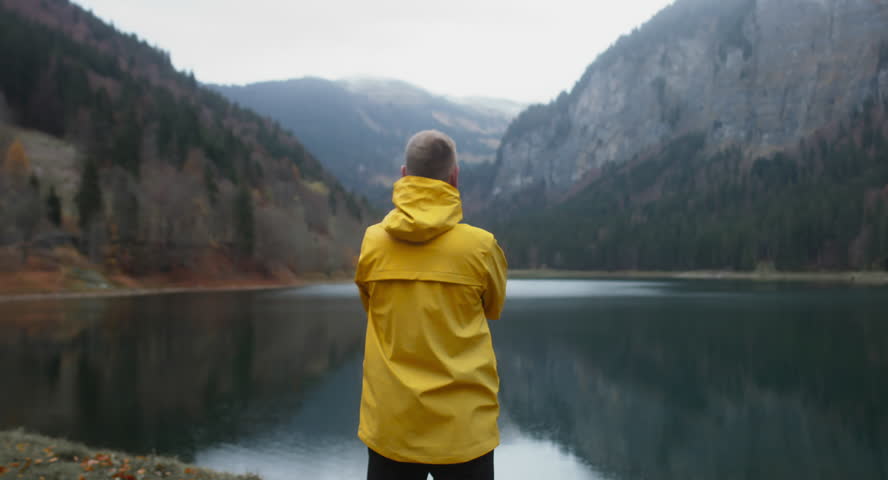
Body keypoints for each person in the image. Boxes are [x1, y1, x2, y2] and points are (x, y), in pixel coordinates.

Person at [354, 130, 508, 480]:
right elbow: (492, 307)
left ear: (404, 174)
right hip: (464, 428)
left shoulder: (373, 242)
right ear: (454, 177)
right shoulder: (481, 247)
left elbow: (371, 305)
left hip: (392, 426)